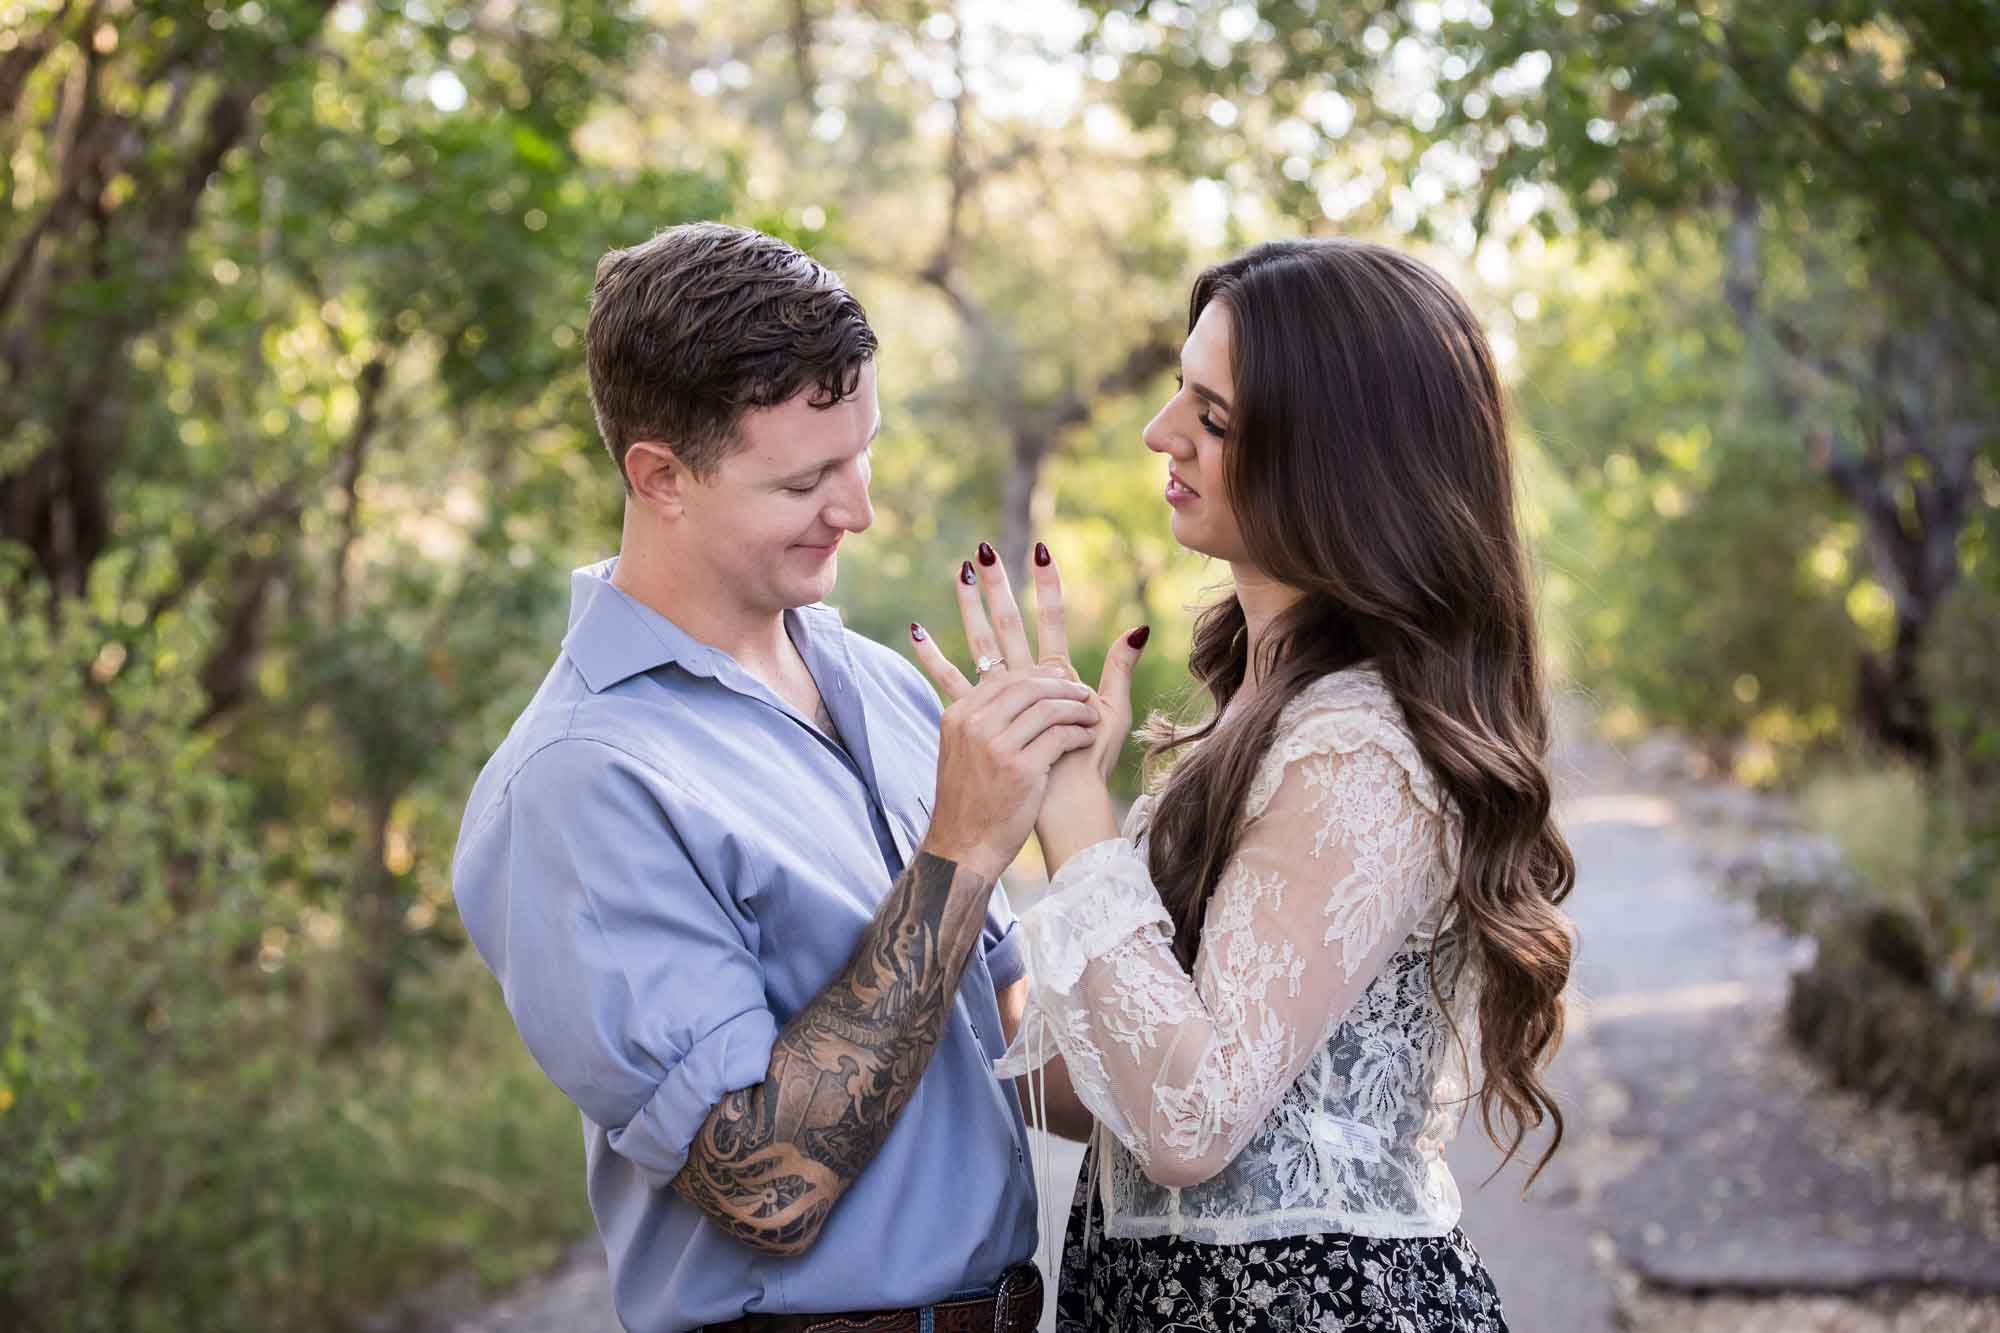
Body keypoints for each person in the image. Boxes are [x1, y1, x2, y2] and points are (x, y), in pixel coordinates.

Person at [909, 238, 1577, 1332]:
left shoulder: (1359, 749)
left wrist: (1072, 802)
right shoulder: (1254, 721)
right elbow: (1111, 1090)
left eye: (1213, 418)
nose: (1158, 431)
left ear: (1339, 462)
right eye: (1180, 389)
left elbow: (1187, 1120)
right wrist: (938, 884)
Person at [451, 222, 1098, 1333]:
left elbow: (1008, 1046)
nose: (858, 509)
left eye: (862, 454)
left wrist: (1217, 1030)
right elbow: (764, 1183)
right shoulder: (581, 780)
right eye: (806, 479)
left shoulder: (883, 687)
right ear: (660, 476)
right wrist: (962, 851)